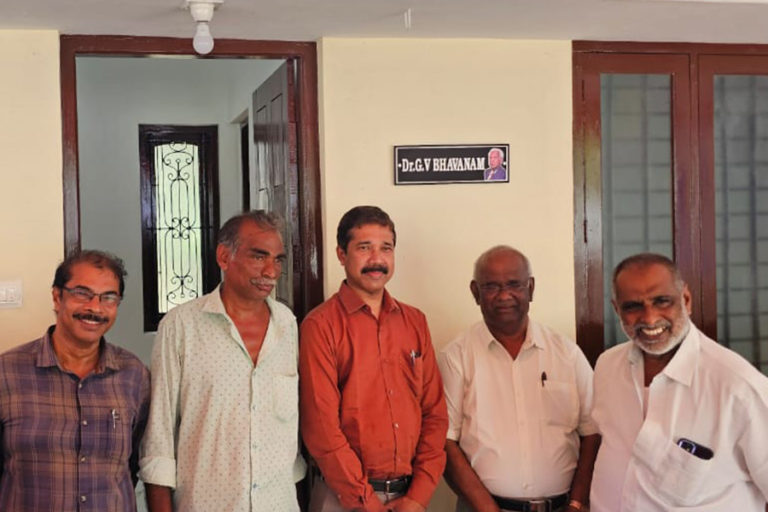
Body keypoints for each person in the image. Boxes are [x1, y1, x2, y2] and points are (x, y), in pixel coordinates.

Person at [139, 210, 306, 512]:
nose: (271, 271)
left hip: (278, 503)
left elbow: (289, 434)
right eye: (259, 257)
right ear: (224, 257)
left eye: (278, 260)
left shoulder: (287, 324)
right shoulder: (181, 326)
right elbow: (159, 438)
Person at [590, 253, 768, 511]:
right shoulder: (607, 366)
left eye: (662, 301)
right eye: (633, 306)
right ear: (617, 309)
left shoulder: (738, 388)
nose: (650, 318)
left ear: (685, 300)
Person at [299, 205, 448, 512]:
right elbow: (321, 429)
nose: (377, 260)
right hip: (343, 499)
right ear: (342, 255)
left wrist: (418, 497)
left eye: (386, 248)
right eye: (364, 248)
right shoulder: (320, 325)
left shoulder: (415, 322)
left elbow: (434, 414)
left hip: (409, 500)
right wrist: (366, 502)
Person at [439, 246, 599, 512]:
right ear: (475, 292)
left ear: (531, 288)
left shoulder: (566, 353)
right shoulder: (456, 356)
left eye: (514, 284)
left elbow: (592, 432)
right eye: (491, 286)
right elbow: (444, 442)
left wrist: (577, 503)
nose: (504, 296)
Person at [0, 250, 150, 512]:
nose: (95, 308)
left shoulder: (133, 375)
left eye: (108, 297)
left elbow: (137, 460)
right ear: (57, 297)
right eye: (82, 293)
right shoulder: (7, 372)